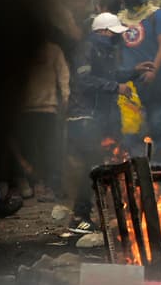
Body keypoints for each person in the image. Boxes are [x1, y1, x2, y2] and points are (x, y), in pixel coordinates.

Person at [66, 13, 154, 234]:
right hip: (83, 118)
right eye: (114, 33)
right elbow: (84, 80)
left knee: (107, 164)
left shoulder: (105, 51)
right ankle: (80, 217)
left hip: (100, 118)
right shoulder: (86, 49)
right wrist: (116, 87)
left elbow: (112, 74)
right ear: (103, 32)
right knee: (91, 168)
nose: (117, 38)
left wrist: (134, 72)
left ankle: (105, 214)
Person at [117, 0, 161, 160]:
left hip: (155, 82)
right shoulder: (120, 18)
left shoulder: (156, 14)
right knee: (131, 130)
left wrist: (153, 71)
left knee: (158, 127)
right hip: (130, 83)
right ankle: (137, 174)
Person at [15, 41, 69, 202]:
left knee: (34, 149)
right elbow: (64, 77)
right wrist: (65, 100)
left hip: (30, 109)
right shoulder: (53, 50)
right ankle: (46, 186)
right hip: (45, 109)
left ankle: (38, 185)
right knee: (48, 149)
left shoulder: (22, 49)